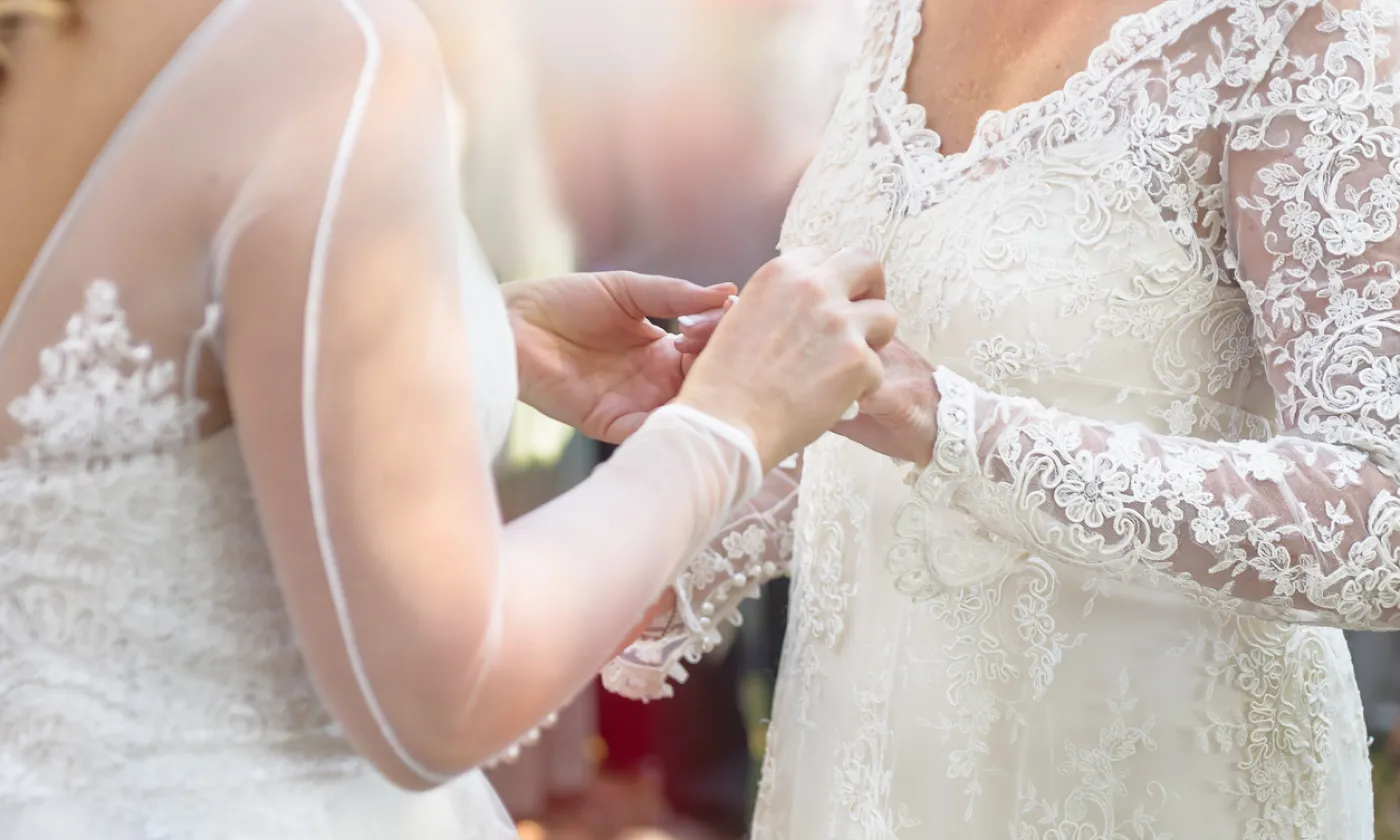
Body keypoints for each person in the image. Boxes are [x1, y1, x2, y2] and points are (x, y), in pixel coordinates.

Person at [0, 0, 901, 836]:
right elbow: (441, 695)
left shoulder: (43, 39)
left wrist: (461, 338)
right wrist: (724, 428)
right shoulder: (326, 49)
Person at [608, 0, 1400, 837]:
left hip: (1149, 783)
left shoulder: (1297, 26)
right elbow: (870, 423)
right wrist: (664, 538)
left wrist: (958, 430)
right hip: (857, 772)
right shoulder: (889, 17)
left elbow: (1382, 516)